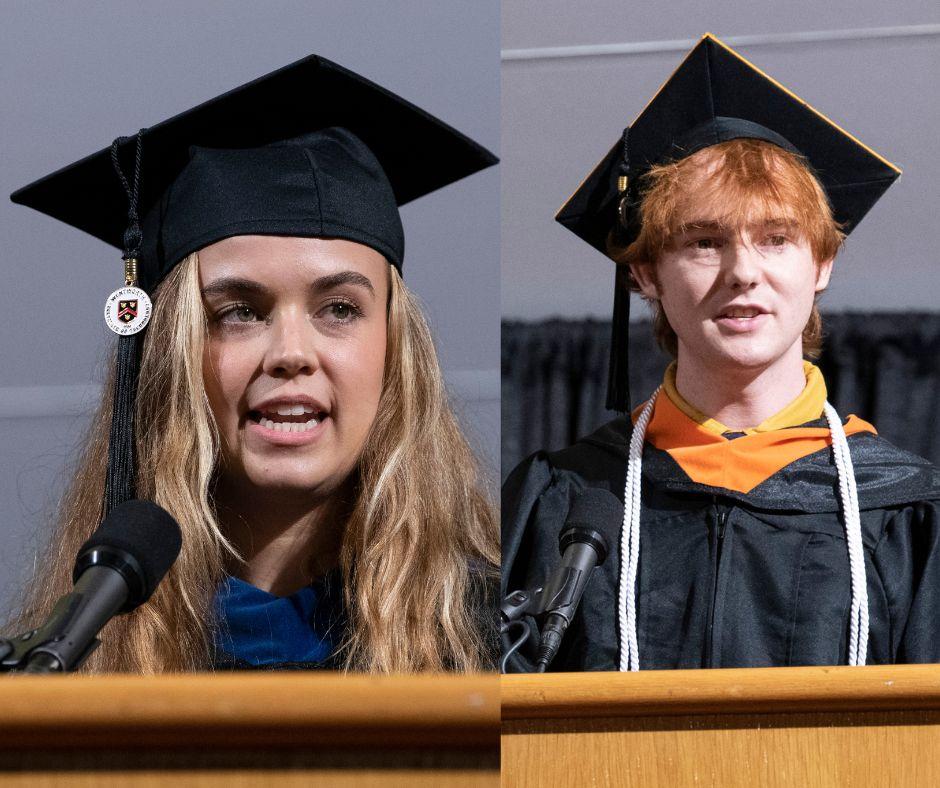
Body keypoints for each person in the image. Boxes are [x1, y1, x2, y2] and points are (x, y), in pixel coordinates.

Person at [9, 55, 499, 673]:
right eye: (239, 312)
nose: (292, 354)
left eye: (340, 308)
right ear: (169, 352)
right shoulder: (67, 668)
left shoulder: (492, 646)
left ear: (396, 353)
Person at [502, 34, 940, 671]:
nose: (743, 272)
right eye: (704, 242)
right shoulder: (563, 501)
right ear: (645, 273)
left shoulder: (907, 512)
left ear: (822, 263)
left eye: (776, 238)